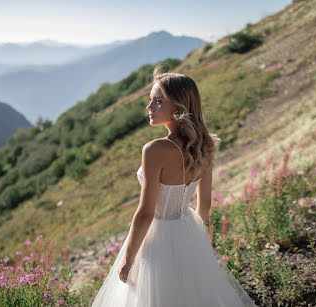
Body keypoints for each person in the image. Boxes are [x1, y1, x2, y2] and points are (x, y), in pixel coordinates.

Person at [91, 65, 257, 307]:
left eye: (158, 101)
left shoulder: (155, 149)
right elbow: (205, 207)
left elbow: (147, 212)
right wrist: (193, 240)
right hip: (186, 229)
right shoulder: (205, 145)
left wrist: (128, 259)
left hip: (156, 238)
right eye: (150, 100)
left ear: (179, 106)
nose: (149, 107)